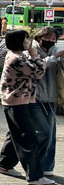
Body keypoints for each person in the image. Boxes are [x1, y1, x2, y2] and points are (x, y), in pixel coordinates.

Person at [0, 29, 55, 185]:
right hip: (17, 102)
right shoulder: (15, 59)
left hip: (19, 101)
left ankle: (4, 164)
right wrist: (35, 54)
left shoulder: (17, 56)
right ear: (20, 42)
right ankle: (35, 176)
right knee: (28, 139)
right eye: (26, 39)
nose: (29, 42)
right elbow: (39, 71)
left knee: (15, 135)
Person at [31, 27, 63, 177]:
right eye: (47, 38)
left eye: (53, 39)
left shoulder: (56, 50)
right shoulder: (32, 51)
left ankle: (47, 166)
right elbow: (36, 69)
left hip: (51, 97)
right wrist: (53, 58)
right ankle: (35, 166)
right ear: (39, 37)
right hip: (34, 97)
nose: (50, 41)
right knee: (43, 132)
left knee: (49, 133)